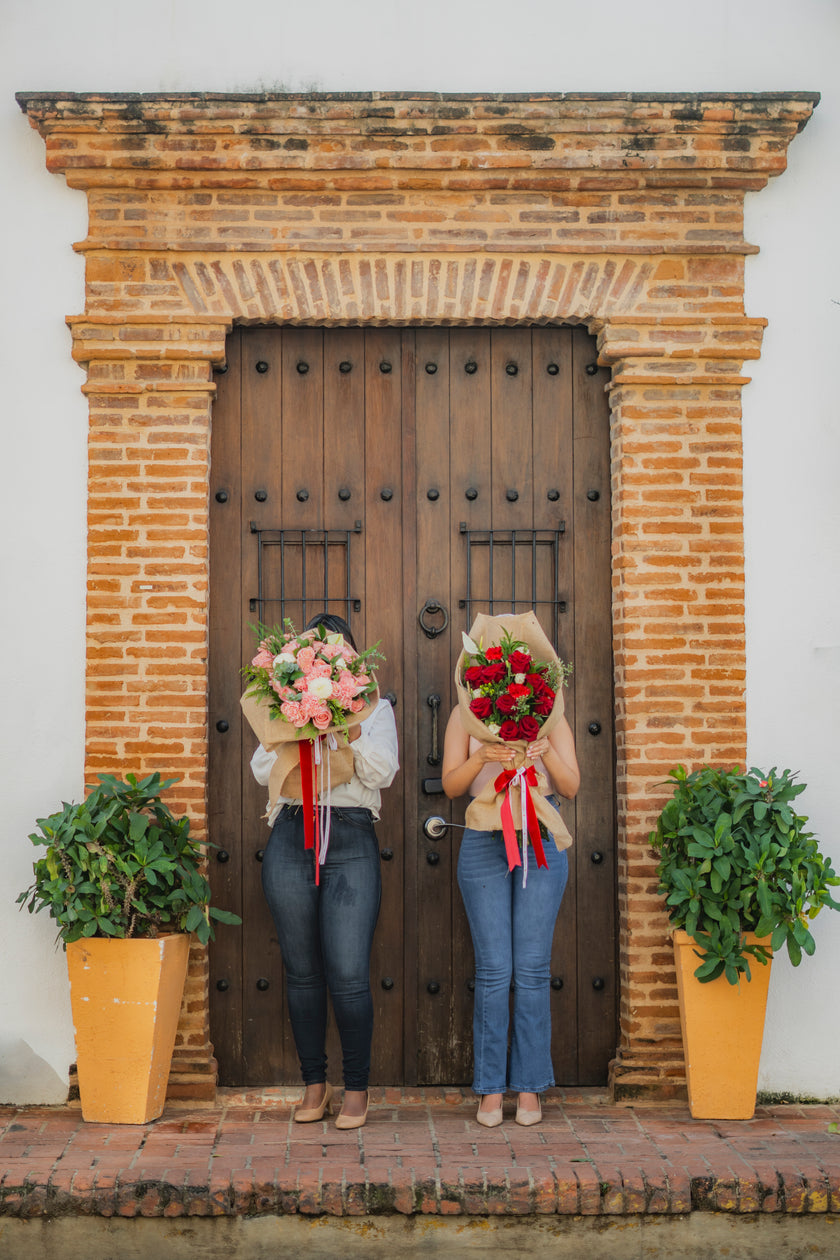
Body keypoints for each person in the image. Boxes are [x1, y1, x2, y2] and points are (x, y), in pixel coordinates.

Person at [250, 612, 399, 1129]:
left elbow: (383, 770)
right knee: (302, 971)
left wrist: (343, 733)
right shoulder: (281, 710)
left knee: (350, 972)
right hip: (292, 834)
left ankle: (356, 1088)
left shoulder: (377, 711)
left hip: (351, 837)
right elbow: (261, 769)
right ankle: (315, 1084)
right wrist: (299, 729)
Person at [441, 693, 580, 1127]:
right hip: (485, 839)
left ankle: (529, 1089)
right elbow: (451, 784)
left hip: (541, 834)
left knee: (534, 968)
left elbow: (571, 785)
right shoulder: (463, 712)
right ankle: (489, 1090)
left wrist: (545, 750)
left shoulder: (549, 712)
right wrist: (482, 754)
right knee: (494, 969)